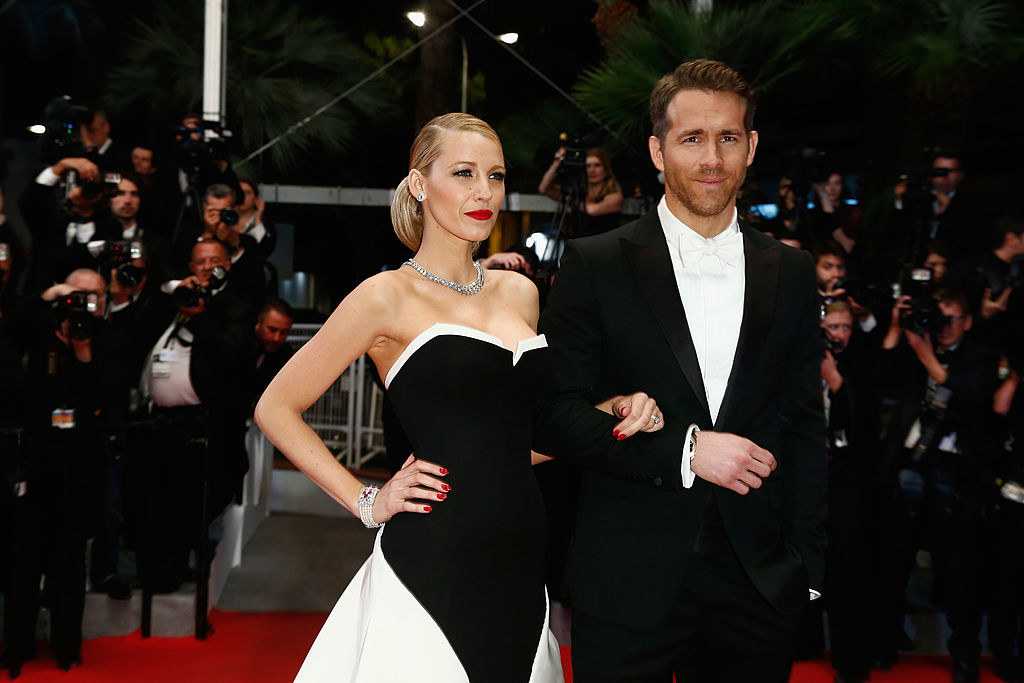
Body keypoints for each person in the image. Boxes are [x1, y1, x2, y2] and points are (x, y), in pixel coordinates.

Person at [256, 113, 663, 682]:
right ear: (420, 185)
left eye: (495, 176)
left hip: (523, 558)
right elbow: (275, 407)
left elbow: (524, 443)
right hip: (433, 559)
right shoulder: (384, 297)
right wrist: (365, 500)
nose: (484, 192)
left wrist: (611, 412)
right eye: (464, 173)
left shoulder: (519, 293)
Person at [533, 59, 827, 682]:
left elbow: (804, 426)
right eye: (692, 139)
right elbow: (554, 416)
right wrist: (684, 451)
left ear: (750, 147)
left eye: (727, 138)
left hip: (758, 582)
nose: (711, 157)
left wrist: (808, 570)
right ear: (657, 151)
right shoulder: (595, 264)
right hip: (624, 579)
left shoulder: (793, 272)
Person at [539, 146, 624, 237]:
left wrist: (573, 200)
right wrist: (556, 163)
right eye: (588, 166)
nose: (592, 170)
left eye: (597, 165)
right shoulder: (577, 191)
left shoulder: (614, 195)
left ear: (606, 169)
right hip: (579, 245)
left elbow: (592, 210)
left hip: (604, 246)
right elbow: (544, 188)